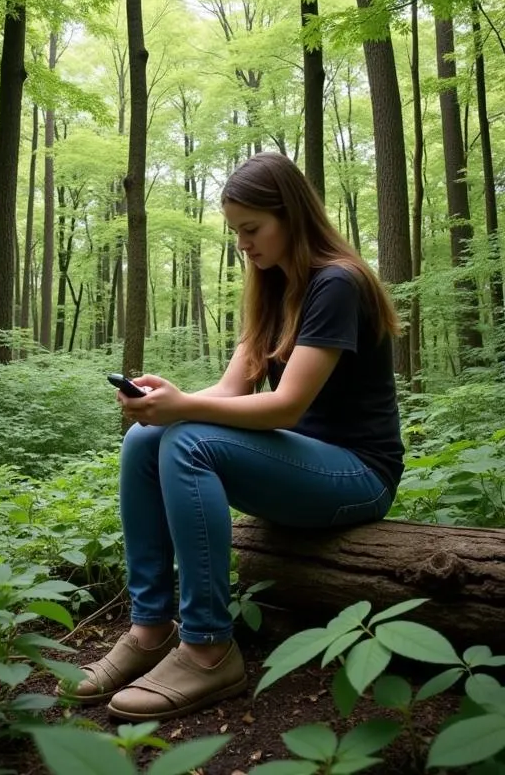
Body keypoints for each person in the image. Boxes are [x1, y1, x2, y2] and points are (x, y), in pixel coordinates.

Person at [62, 152, 403, 722]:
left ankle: (208, 646)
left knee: (186, 438)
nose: (243, 244)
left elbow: (288, 407)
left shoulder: (338, 283)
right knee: (146, 440)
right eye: (236, 232)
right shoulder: (272, 286)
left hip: (358, 474)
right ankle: (150, 629)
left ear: (292, 216)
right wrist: (166, 401)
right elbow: (230, 389)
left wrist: (183, 411)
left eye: (252, 229)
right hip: (299, 468)